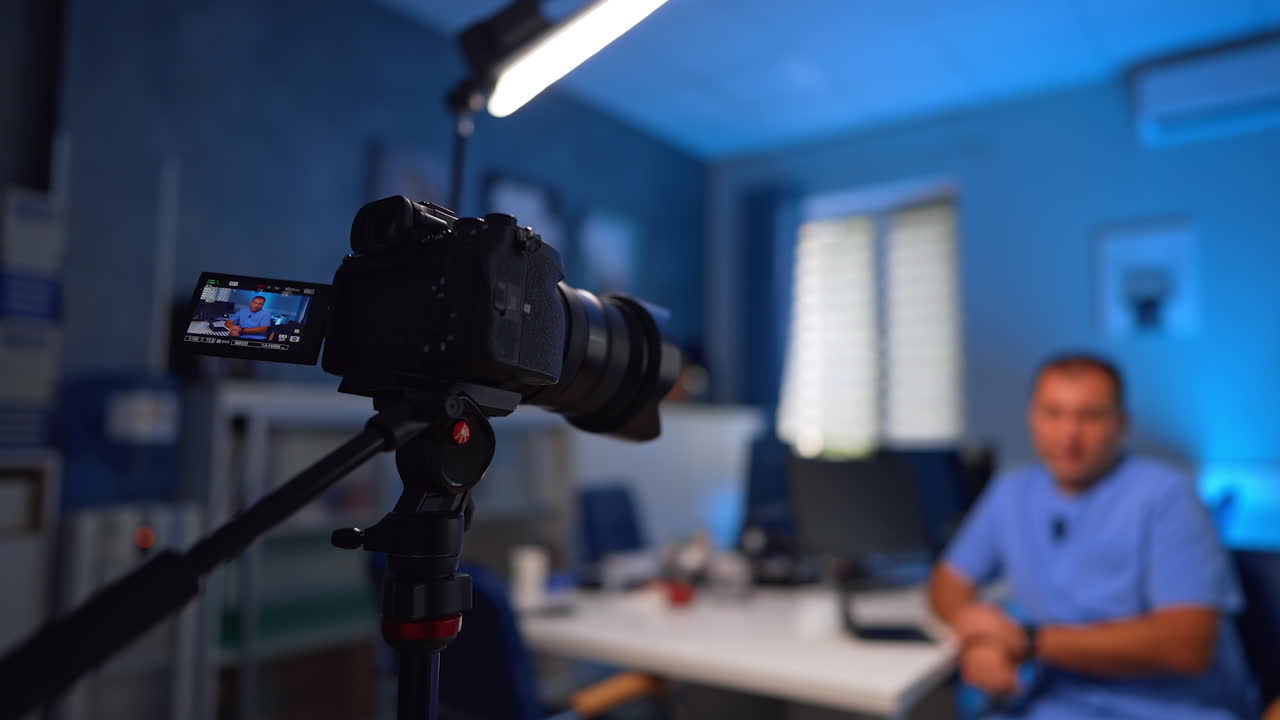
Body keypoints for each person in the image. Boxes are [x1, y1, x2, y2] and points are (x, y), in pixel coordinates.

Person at [929, 353, 1257, 719]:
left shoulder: (1168, 497)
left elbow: (1187, 645)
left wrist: (1029, 641)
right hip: (1056, 702)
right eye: (1054, 413)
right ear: (1033, 418)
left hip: (1167, 707)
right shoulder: (1012, 491)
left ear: (1121, 423)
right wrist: (978, 633)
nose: (1069, 435)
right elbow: (948, 583)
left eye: (1090, 416)